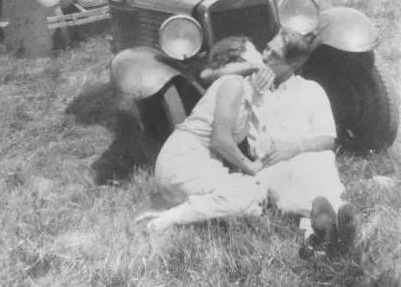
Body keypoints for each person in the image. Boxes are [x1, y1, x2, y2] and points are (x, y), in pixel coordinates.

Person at [202, 28, 356, 256]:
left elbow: (327, 140)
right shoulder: (251, 87)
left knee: (318, 162)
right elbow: (206, 75)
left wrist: (296, 147)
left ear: (292, 64)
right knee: (294, 179)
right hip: (273, 164)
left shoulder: (311, 90)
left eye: (274, 55)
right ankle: (335, 214)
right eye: (266, 48)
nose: (264, 57)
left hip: (308, 156)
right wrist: (251, 67)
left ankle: (318, 235)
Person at [135, 36, 274, 232]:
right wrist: (251, 167)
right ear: (241, 58)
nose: (260, 55)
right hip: (183, 160)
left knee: (258, 193)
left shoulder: (243, 88)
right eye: (254, 51)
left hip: (189, 163)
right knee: (251, 194)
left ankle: (182, 208)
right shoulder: (233, 83)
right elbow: (220, 141)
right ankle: (166, 219)